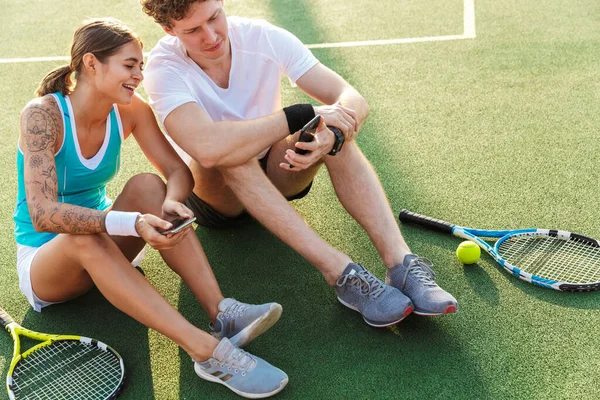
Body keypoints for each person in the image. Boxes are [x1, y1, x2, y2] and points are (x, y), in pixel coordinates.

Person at [14, 18, 288, 398]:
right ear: (92, 63)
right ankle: (206, 351)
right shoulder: (42, 116)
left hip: (109, 240)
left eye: (140, 66)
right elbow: (43, 213)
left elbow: (176, 170)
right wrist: (132, 222)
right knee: (83, 239)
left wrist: (172, 199)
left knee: (148, 184)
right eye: (129, 65)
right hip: (47, 261)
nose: (139, 75)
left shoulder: (129, 111)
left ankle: (221, 311)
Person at [140, 0, 458, 328]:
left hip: (281, 173)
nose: (210, 36)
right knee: (231, 155)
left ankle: (401, 265)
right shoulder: (164, 68)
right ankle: (340, 273)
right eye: (193, 30)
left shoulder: (261, 36)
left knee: (333, 132)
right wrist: (303, 113)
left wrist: (331, 133)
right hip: (215, 199)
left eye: (214, 18)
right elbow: (208, 149)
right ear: (169, 30)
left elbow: (351, 98)